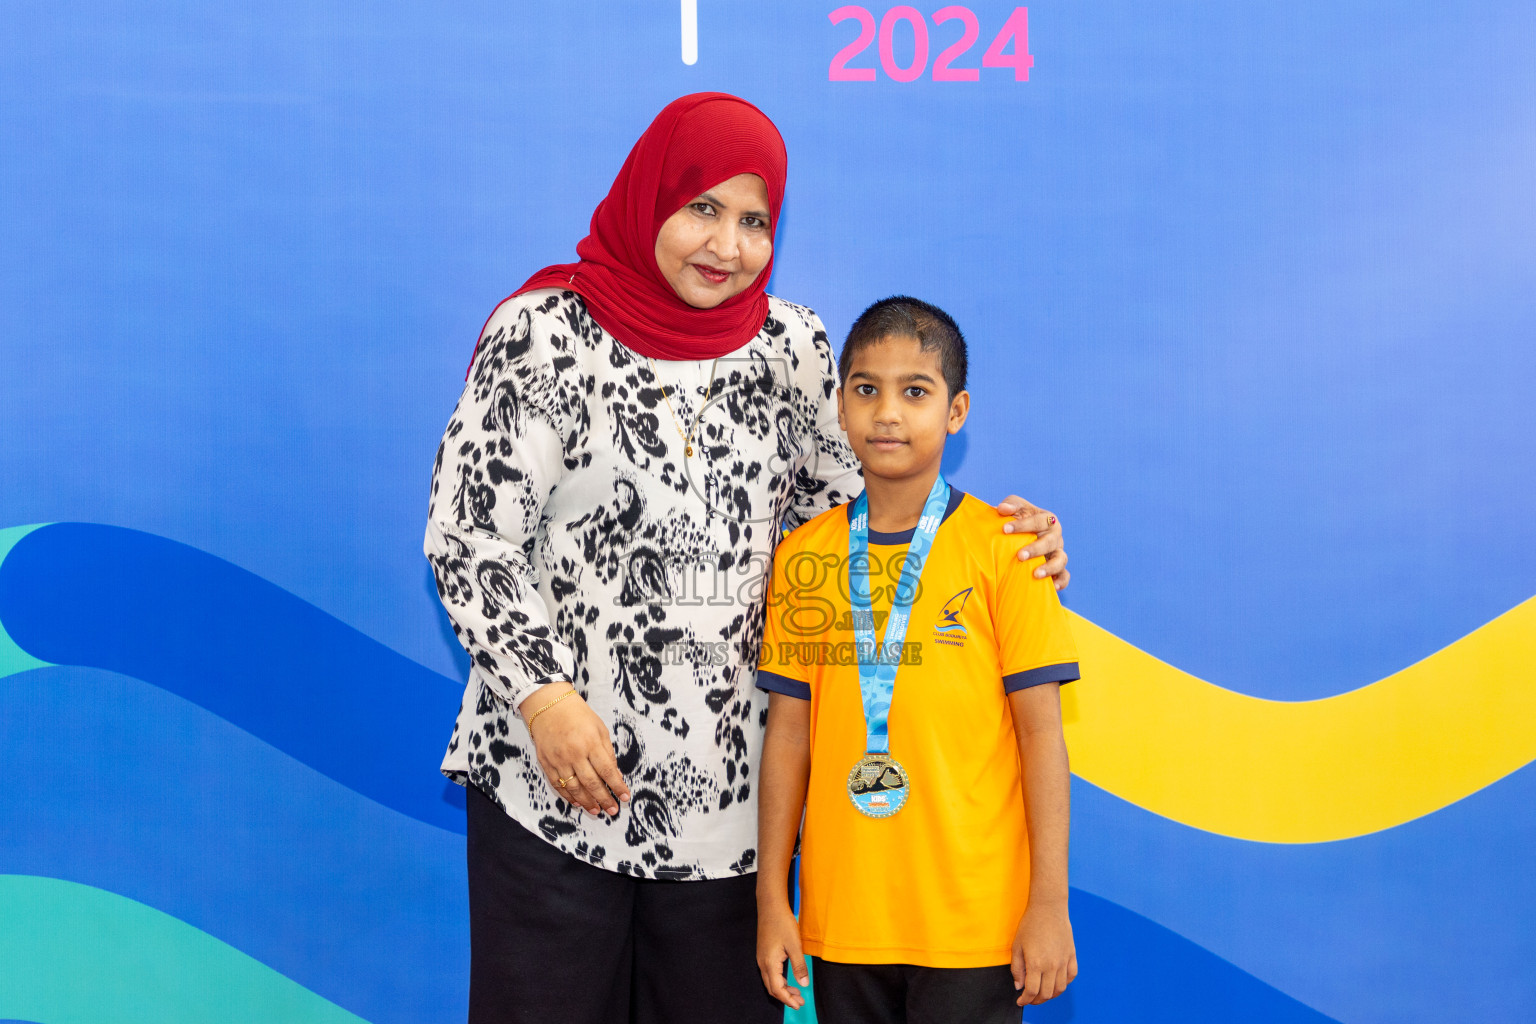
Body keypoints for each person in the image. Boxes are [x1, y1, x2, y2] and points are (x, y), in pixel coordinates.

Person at [424, 95, 1070, 1024]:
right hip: (554, 788)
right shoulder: (544, 335)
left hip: (733, 816)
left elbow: (868, 520)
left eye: (755, 221)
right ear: (652, 199)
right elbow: (469, 537)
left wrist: (1013, 537)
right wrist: (546, 700)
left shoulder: (794, 348)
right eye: (702, 209)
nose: (726, 245)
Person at [754, 297, 1081, 1024]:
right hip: (842, 926)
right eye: (866, 389)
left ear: (956, 411)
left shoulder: (1009, 550)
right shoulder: (803, 558)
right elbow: (787, 737)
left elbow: (1041, 739)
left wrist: (1049, 905)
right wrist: (773, 900)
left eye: (916, 391)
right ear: (840, 407)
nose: (888, 413)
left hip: (974, 927)